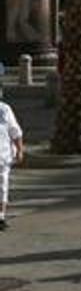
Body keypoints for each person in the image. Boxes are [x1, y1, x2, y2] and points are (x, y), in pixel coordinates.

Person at [0, 98, 24, 230]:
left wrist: (20, 150)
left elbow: (15, 132)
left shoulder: (4, 109)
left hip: (3, 157)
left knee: (2, 187)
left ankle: (1, 217)